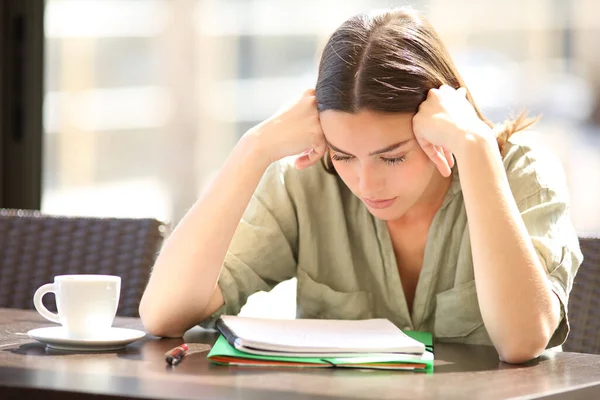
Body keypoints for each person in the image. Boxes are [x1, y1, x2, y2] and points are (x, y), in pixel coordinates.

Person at [139, 7, 582, 364]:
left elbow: (522, 342)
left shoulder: (520, 171)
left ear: (440, 127)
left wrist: (476, 148)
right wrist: (252, 149)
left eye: (393, 156)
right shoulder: (305, 179)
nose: (365, 183)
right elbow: (163, 314)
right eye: (344, 155)